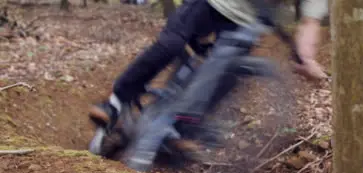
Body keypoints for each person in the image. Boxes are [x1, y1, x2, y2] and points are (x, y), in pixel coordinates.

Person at [89, 0, 329, 137]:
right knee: (171, 44)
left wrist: (307, 59)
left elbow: (310, 22)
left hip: (244, 24)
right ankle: (116, 103)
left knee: (228, 74)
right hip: (209, 4)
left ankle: (182, 128)